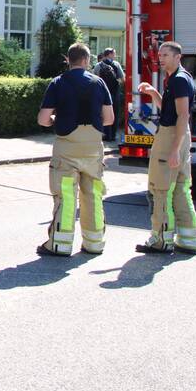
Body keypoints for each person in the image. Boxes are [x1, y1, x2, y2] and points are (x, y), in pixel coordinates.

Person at [36, 42, 115, 257]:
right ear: (87, 60)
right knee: (93, 195)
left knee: (66, 195)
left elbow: (43, 119)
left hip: (67, 146)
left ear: (67, 60)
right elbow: (109, 119)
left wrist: (54, 120)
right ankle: (94, 243)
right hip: (93, 146)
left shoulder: (58, 83)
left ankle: (60, 244)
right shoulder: (99, 83)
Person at [136, 40, 196, 255]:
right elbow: (170, 109)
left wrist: (174, 150)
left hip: (172, 135)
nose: (160, 58)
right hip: (178, 134)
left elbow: (182, 114)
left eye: (165, 55)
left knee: (160, 189)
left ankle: (160, 240)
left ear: (177, 57)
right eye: (160, 55)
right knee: (181, 189)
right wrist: (154, 94)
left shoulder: (179, 80)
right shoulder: (178, 78)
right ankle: (188, 240)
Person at [95, 47, 125, 142]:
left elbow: (95, 79)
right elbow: (123, 79)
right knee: (115, 113)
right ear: (110, 54)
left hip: (102, 93)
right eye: (114, 54)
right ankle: (113, 135)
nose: (115, 56)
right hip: (115, 93)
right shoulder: (116, 64)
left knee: (103, 113)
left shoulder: (98, 65)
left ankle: (105, 135)